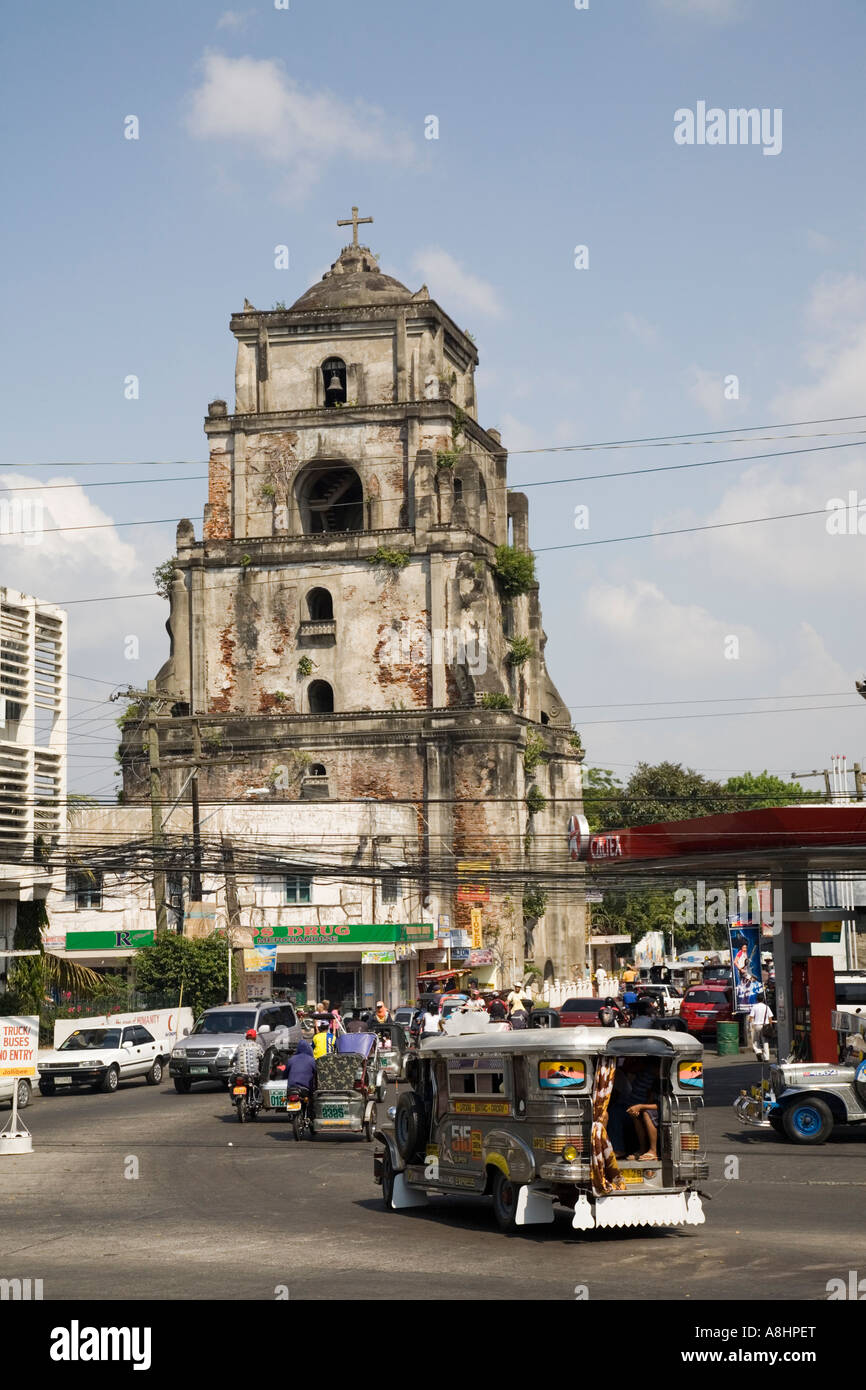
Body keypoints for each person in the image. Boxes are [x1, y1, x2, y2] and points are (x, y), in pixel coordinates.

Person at [626, 1060, 660, 1160]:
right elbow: (650, 1100)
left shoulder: (666, 1082)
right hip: (654, 1108)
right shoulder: (654, 1083)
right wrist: (638, 1108)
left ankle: (653, 1151)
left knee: (646, 1113)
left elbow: (661, 1105)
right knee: (637, 1116)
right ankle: (642, 1149)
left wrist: (641, 1106)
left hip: (664, 1111)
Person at [749, 991, 774, 1062]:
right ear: (763, 999)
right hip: (765, 1026)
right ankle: (767, 1058)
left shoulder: (754, 1007)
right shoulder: (767, 1007)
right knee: (765, 1042)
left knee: (755, 1040)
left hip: (756, 1025)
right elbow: (770, 1017)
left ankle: (758, 1051)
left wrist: (751, 1025)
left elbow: (751, 1017)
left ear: (757, 999)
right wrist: (770, 1026)